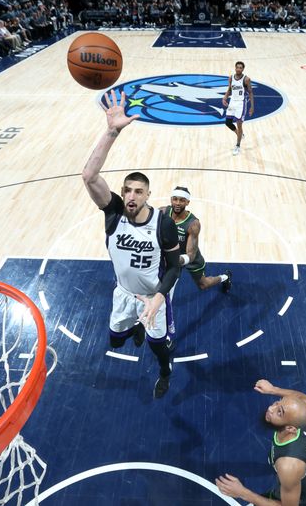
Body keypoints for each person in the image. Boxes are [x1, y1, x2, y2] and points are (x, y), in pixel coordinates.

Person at [81, 89, 181, 399]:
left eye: (139, 191)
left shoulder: (162, 223)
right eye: (127, 190)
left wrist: (159, 298)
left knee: (157, 345)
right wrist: (111, 132)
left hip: (154, 295)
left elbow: (175, 266)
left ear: (148, 195)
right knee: (114, 340)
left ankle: (166, 373)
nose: (132, 196)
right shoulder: (113, 213)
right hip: (124, 292)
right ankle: (134, 327)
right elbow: (88, 175)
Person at [216, 379, 306, 506]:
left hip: (300, 500)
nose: (271, 408)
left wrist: (242, 493)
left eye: (279, 412)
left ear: (290, 429)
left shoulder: (287, 465)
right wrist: (273, 390)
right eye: (277, 403)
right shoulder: (299, 414)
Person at [160, 186, 232, 333]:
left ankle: (225, 277)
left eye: (182, 200)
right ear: (171, 200)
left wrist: (176, 260)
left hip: (187, 257)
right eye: (175, 199)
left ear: (188, 202)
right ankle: (166, 332)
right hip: (171, 259)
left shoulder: (193, 224)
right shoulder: (162, 212)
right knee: (165, 295)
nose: (178, 203)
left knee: (203, 285)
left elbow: (191, 254)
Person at [222, 61, 254, 156]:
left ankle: (238, 146)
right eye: (237, 67)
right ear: (235, 68)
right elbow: (230, 89)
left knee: (239, 125)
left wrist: (252, 107)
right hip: (232, 102)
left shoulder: (246, 79)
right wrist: (225, 97)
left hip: (241, 103)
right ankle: (240, 134)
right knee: (228, 122)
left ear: (243, 69)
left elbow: (251, 93)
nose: (239, 69)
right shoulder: (231, 78)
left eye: (241, 68)